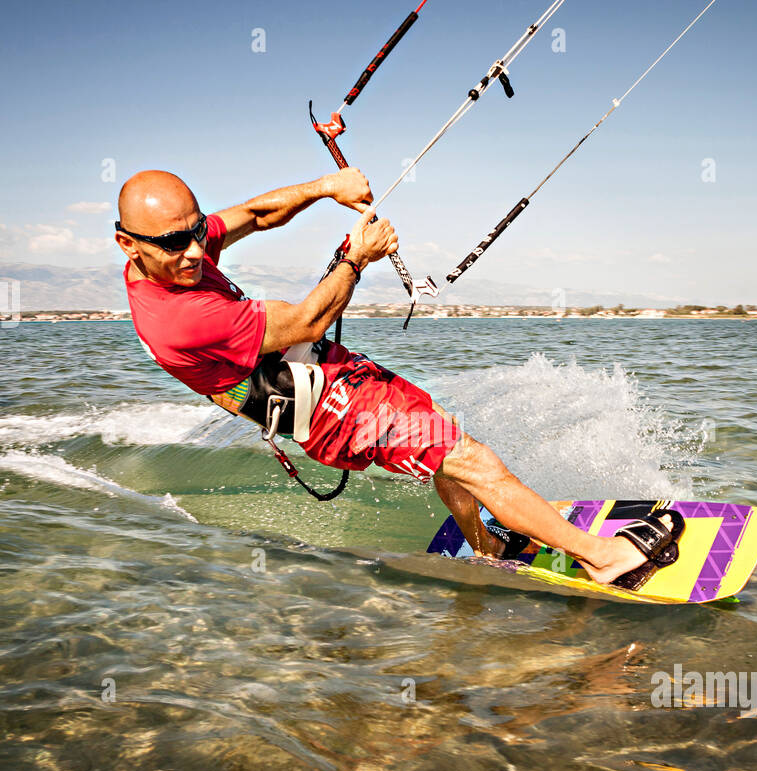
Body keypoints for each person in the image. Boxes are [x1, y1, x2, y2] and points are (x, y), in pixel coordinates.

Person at [115, 168, 679, 588]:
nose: (194, 251)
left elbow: (255, 216)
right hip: (320, 408)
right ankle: (603, 559)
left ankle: (485, 543)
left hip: (327, 374)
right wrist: (357, 258)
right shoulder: (178, 319)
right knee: (471, 459)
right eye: (174, 244)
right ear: (129, 243)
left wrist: (324, 187)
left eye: (196, 232)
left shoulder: (168, 247)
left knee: (445, 438)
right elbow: (308, 319)